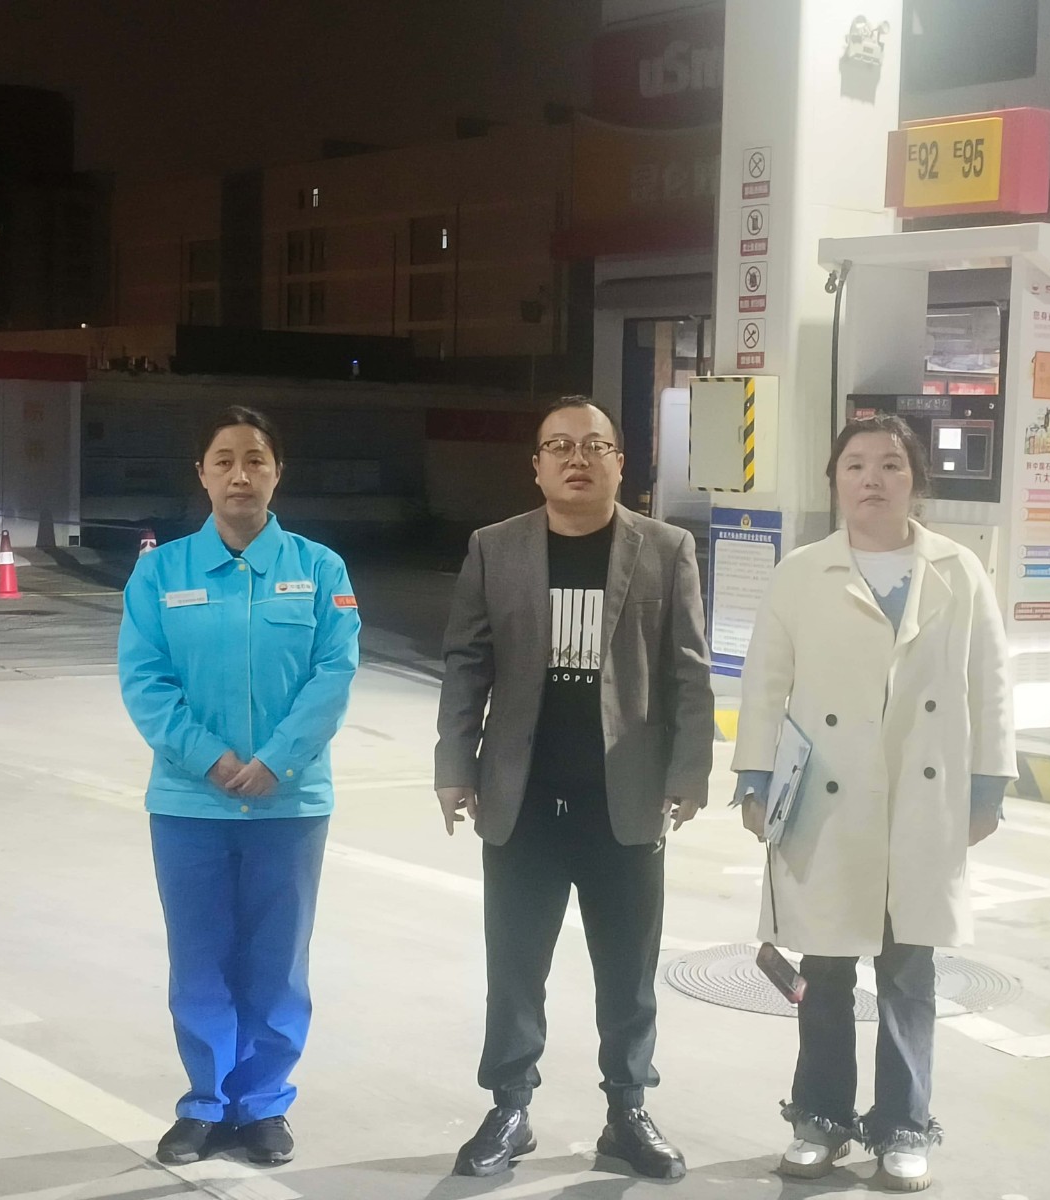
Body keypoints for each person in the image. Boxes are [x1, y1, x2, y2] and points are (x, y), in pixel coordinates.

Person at [731, 415, 1015, 1193]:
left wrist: (989, 784)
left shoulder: (959, 569)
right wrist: (753, 777)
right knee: (823, 970)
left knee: (908, 972)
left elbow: (991, 683)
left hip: (923, 800)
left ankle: (902, 1128)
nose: (872, 479)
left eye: (891, 464)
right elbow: (765, 683)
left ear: (915, 480)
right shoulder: (803, 572)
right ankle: (819, 1119)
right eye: (855, 464)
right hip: (827, 803)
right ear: (835, 479)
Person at [434, 395, 714, 1180]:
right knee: (514, 968)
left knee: (627, 972)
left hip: (624, 799)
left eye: (594, 445)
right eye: (559, 446)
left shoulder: (665, 549)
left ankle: (627, 1111)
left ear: (621, 463)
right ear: (537, 466)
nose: (577, 458)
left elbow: (690, 671)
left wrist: (690, 770)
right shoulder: (496, 548)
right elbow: (466, 664)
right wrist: (454, 764)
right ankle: (509, 1108)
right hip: (520, 800)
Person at [118, 406, 360, 1168]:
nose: (240, 475)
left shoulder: (320, 571)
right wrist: (210, 759)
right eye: (223, 460)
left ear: (277, 471)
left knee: (278, 959)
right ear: (201, 474)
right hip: (190, 803)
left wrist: (278, 760)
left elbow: (334, 673)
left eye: (255, 459)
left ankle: (262, 1103)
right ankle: (205, 1101)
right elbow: (144, 680)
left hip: (289, 802)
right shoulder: (161, 574)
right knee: (199, 956)